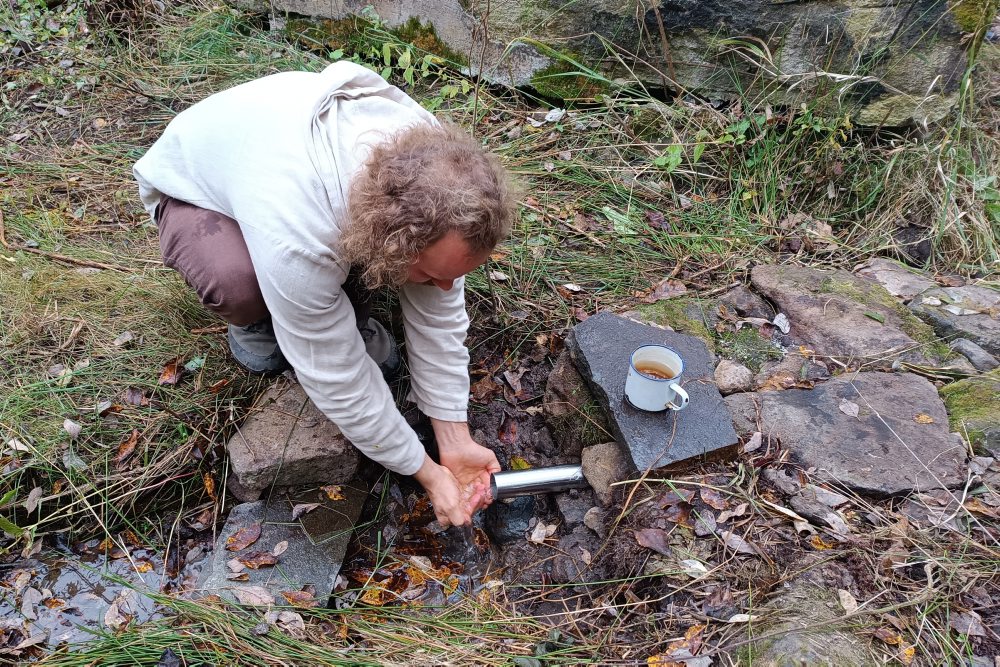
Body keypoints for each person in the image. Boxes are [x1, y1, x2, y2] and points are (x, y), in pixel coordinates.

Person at [133, 60, 517, 527]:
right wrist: (424, 470)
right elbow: (337, 378)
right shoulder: (296, 236)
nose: (444, 287)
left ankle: (330, 304)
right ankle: (256, 325)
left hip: (291, 165)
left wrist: (453, 438)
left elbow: (439, 316)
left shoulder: (445, 174)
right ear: (390, 237)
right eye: (430, 272)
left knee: (366, 285)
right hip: (196, 190)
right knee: (241, 285)